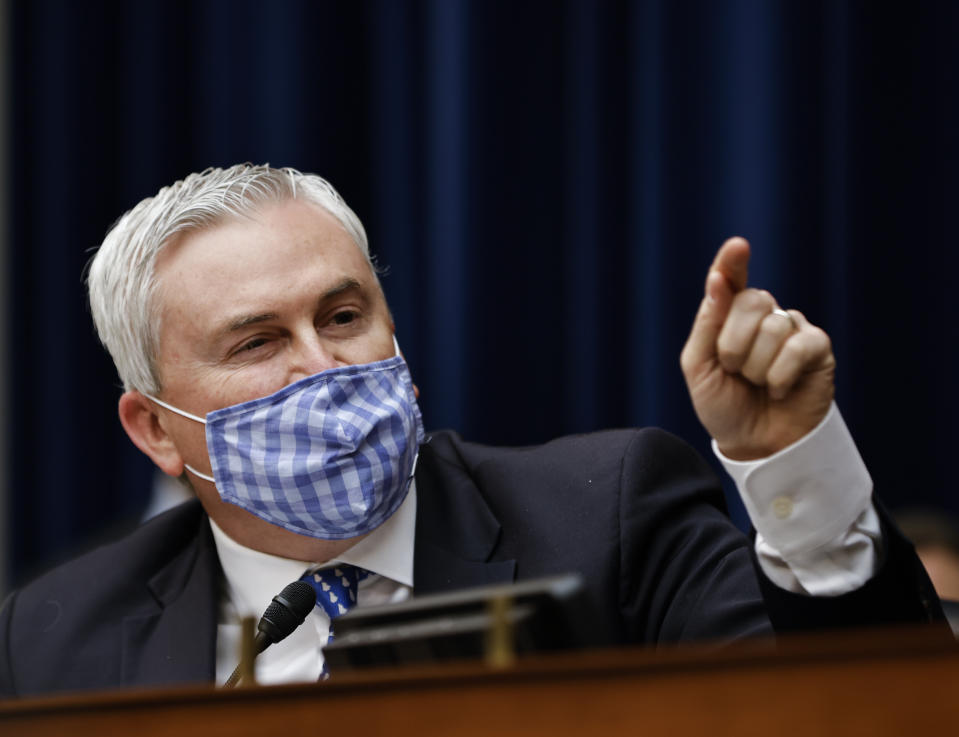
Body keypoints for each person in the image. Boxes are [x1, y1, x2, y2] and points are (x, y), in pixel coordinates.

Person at [0, 165, 943, 697]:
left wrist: (791, 465)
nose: (325, 368)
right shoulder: (53, 635)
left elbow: (857, 706)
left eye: (341, 316)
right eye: (256, 341)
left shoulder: (608, 514)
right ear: (156, 431)